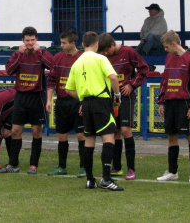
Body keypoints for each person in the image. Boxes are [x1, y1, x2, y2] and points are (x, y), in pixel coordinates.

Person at [66, 31, 124, 191]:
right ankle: (106, 178)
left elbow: (68, 89)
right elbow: (113, 77)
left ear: (83, 45)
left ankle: (90, 180)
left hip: (86, 104)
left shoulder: (77, 63)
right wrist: (117, 96)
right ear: (97, 44)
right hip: (101, 102)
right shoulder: (100, 58)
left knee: (89, 140)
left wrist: (82, 100)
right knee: (109, 138)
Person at [0, 26, 53, 174]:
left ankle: (33, 165)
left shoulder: (42, 53)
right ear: (22, 41)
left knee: (36, 130)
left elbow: (52, 66)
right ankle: (13, 164)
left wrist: (39, 51)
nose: (30, 43)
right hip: (21, 96)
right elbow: (9, 70)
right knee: (15, 130)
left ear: (37, 40)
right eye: (27, 40)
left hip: (37, 96)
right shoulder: (17, 54)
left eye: (32, 40)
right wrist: (20, 54)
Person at [98, 32, 148, 180]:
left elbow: (144, 69)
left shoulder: (129, 52)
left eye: (107, 51)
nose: (106, 54)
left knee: (126, 130)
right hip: (111, 97)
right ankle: (116, 167)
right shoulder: (104, 56)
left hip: (125, 96)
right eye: (103, 52)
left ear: (113, 45)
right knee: (114, 132)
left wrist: (131, 85)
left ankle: (131, 168)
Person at [156, 30, 190, 183]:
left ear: (174, 44)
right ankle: (172, 171)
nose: (165, 49)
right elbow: (165, 80)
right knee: (171, 136)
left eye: (167, 46)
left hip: (185, 103)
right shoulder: (169, 58)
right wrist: (161, 101)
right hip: (170, 103)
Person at [45, 30, 85, 177]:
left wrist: (84, 102)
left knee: (81, 135)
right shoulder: (58, 58)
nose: (61, 45)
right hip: (61, 102)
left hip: (77, 101)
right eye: (61, 42)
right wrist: (49, 100)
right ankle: (62, 166)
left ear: (73, 43)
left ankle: (84, 167)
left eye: (64, 43)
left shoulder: (82, 58)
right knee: (62, 135)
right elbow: (52, 80)